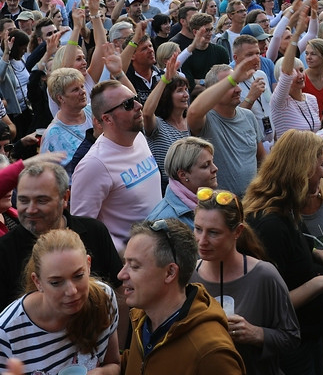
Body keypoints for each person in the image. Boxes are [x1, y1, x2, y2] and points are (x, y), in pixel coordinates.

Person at [0, 161, 123, 354]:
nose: (30, 209)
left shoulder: (95, 232)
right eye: (23, 200)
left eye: (41, 200)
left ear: (65, 198)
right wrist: (37, 318)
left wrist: (117, 356)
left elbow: (119, 296)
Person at [244, 129, 323, 375]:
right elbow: (272, 304)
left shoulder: (285, 209)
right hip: (291, 345)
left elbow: (291, 248)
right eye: (320, 166)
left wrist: (315, 253)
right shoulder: (269, 225)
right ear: (301, 171)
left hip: (307, 334)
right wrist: (321, 283)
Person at [0, 228, 120, 375]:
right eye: (56, 282)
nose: (72, 291)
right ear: (37, 282)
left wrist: (101, 373)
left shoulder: (104, 299)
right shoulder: (5, 333)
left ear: (88, 265)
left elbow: (114, 363)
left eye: (78, 276)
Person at [191, 187, 300, 375]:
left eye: (214, 233)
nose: (202, 241)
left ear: (237, 232)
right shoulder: (188, 276)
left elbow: (292, 337)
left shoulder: (264, 276)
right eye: (198, 229)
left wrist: (256, 334)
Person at [117, 219, 245, 375]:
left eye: (135, 266)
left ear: (170, 273)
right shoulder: (141, 319)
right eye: (125, 263)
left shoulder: (211, 352)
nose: (121, 274)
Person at [71, 80, 163, 252]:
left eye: (135, 99)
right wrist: (122, 254)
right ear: (107, 118)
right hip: (132, 264)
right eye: (128, 104)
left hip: (160, 250)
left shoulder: (139, 138)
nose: (138, 106)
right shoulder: (94, 165)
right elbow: (82, 230)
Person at [187, 56, 265, 196]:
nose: (238, 89)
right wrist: (232, 78)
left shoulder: (248, 116)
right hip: (222, 207)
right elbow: (192, 112)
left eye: (238, 83)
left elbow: (262, 158)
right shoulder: (207, 120)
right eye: (231, 85)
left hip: (252, 204)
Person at [142, 53, 191, 191]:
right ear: (167, 97)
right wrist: (165, 79)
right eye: (180, 91)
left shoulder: (192, 122)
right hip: (167, 190)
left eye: (186, 90)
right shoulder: (158, 125)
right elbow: (146, 113)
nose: (186, 95)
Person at [147, 136, 219, 228]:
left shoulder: (208, 201)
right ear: (183, 175)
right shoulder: (162, 222)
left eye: (212, 162)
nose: (215, 169)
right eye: (205, 165)